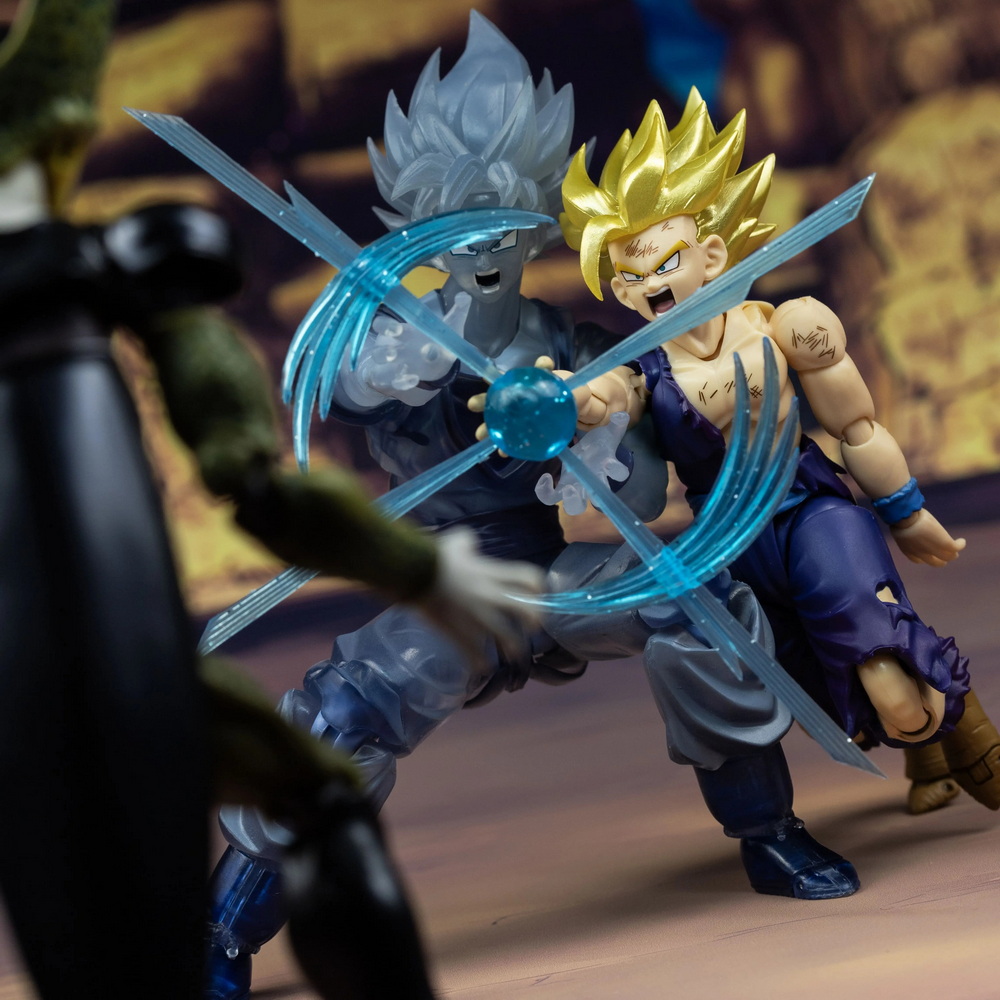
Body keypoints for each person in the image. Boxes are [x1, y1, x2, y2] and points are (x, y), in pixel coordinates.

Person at [205, 17, 863, 1000]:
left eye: (503, 222)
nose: (484, 244)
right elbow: (344, 387)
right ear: (418, 221)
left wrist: (587, 440)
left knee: (693, 602)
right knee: (341, 717)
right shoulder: (388, 335)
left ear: (537, 223)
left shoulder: (571, 344)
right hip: (445, 583)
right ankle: (223, 932)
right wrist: (434, 352)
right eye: (455, 219)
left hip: (550, 571)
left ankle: (769, 829)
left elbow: (641, 487)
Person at [0, 2, 544, 998]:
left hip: (141, 672)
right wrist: (425, 571)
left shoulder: (120, 276)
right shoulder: (121, 270)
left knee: (321, 797)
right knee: (320, 792)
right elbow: (265, 487)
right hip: (85, 687)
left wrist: (424, 567)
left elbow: (256, 486)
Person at [558, 91, 1000, 813]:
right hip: (729, 541)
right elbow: (602, 400)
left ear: (711, 255)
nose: (650, 284)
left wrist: (905, 511)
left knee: (885, 671)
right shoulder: (641, 372)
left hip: (810, 509)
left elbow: (857, 427)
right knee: (821, 685)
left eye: (665, 262)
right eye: (630, 276)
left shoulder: (784, 327)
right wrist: (556, 401)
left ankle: (957, 718)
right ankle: (924, 752)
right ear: (618, 290)